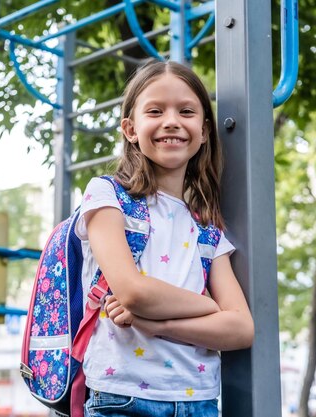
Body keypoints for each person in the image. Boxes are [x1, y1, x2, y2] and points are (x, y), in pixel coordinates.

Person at [75, 60, 254, 417]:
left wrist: (159, 323)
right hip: (121, 396)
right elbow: (133, 292)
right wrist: (207, 306)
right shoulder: (107, 195)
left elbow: (241, 328)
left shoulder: (206, 228)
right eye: (155, 111)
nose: (171, 120)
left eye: (186, 111)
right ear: (130, 128)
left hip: (198, 400)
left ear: (203, 131)